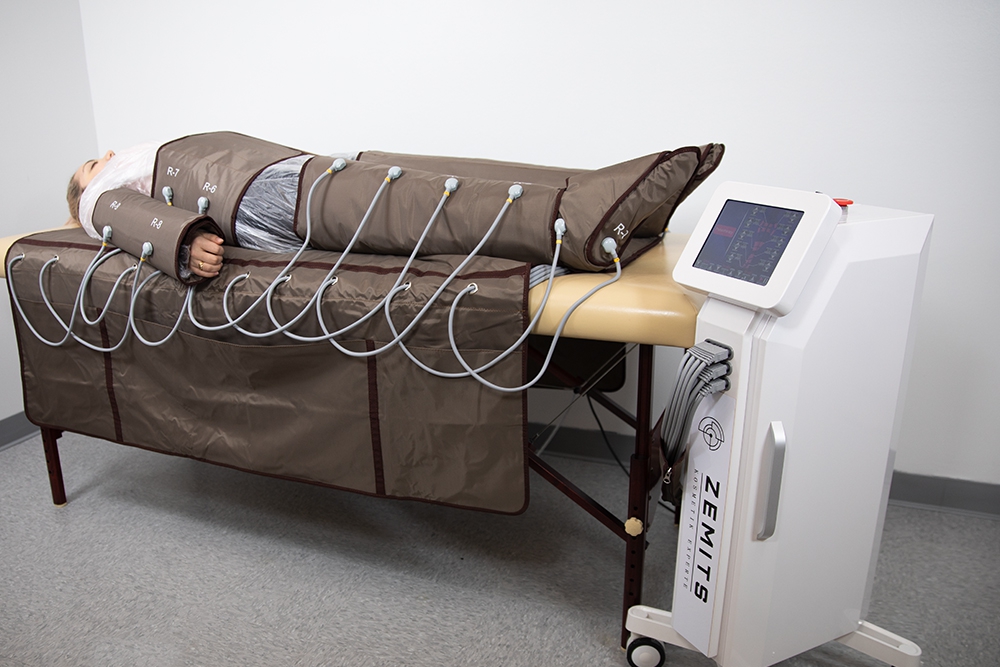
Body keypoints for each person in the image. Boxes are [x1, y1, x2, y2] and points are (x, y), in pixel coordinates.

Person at [66, 143, 313, 280]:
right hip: (251, 196)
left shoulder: (141, 170)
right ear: (90, 195)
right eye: (93, 165)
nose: (108, 153)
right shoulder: (102, 202)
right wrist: (185, 244)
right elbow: (142, 221)